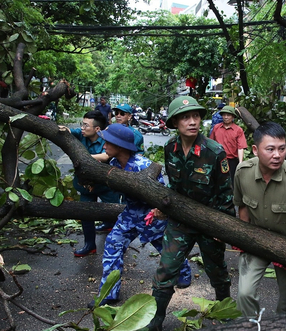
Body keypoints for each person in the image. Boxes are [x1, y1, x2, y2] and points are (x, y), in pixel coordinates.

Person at [141, 95, 234, 331]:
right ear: (174, 122)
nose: (192, 121)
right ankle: (156, 320)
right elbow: (173, 186)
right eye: (185, 117)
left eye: (195, 116)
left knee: (217, 271)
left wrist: (222, 228)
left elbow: (226, 195)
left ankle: (225, 312)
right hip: (180, 221)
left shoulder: (215, 152)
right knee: (166, 268)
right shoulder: (170, 147)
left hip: (209, 223)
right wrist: (164, 206)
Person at [89, 124, 191, 307]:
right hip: (129, 214)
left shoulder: (143, 166)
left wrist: (159, 212)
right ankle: (109, 293)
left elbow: (161, 194)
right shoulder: (113, 163)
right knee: (113, 245)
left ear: (120, 146)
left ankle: (183, 273)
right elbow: (105, 171)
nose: (104, 146)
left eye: (107, 143)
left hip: (151, 215)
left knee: (166, 248)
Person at [234, 122, 286, 316]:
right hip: (256, 241)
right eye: (270, 149)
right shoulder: (242, 173)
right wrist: (245, 239)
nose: (277, 155)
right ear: (255, 150)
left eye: (282, 149)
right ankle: (253, 330)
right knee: (244, 293)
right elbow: (242, 206)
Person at [59, 110, 120, 257]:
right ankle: (89, 245)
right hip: (86, 186)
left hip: (106, 185)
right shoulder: (81, 134)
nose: (82, 127)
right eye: (82, 124)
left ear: (97, 129)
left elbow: (106, 156)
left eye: (86, 125)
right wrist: (63, 129)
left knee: (116, 214)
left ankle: (118, 245)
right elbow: (67, 131)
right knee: (86, 215)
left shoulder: (107, 139)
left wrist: (83, 157)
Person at [209, 105, 248, 181]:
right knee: (217, 180)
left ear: (233, 117)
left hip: (231, 161)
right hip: (218, 159)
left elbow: (240, 147)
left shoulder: (238, 130)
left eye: (228, 115)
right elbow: (211, 144)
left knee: (231, 181)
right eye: (224, 115)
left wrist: (240, 162)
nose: (226, 117)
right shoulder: (216, 128)